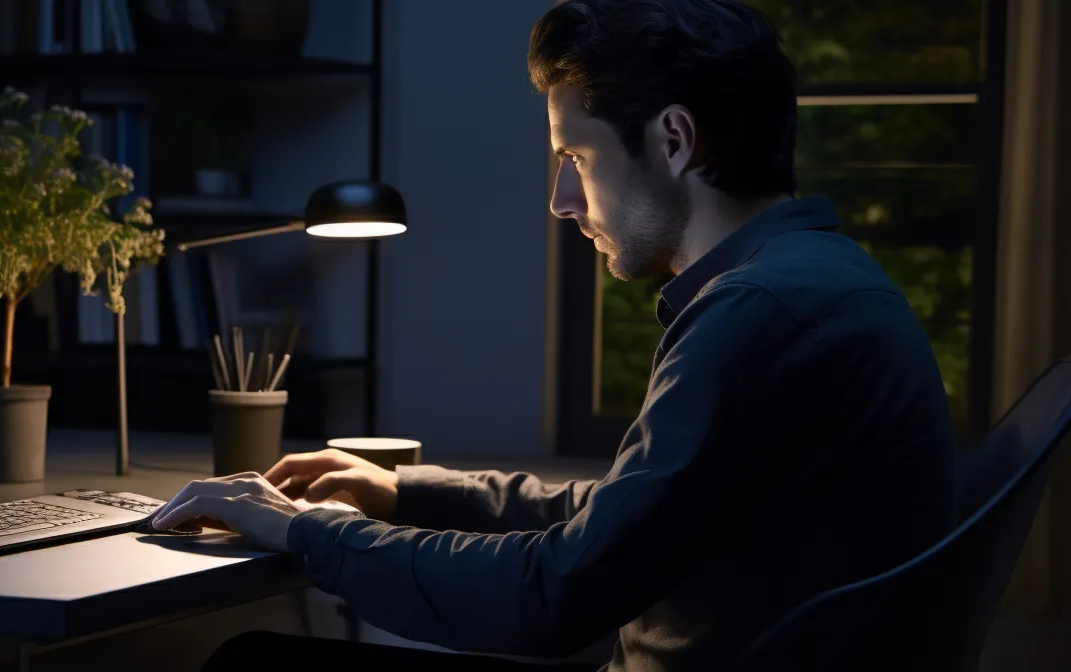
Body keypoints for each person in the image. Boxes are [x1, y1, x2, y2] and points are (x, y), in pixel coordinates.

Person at [155, 1, 959, 670]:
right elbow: (624, 522)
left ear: (676, 141)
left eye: (576, 155)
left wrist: (307, 529)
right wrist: (403, 490)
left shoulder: (758, 315)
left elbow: (556, 596)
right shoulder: (815, 279)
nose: (562, 201)